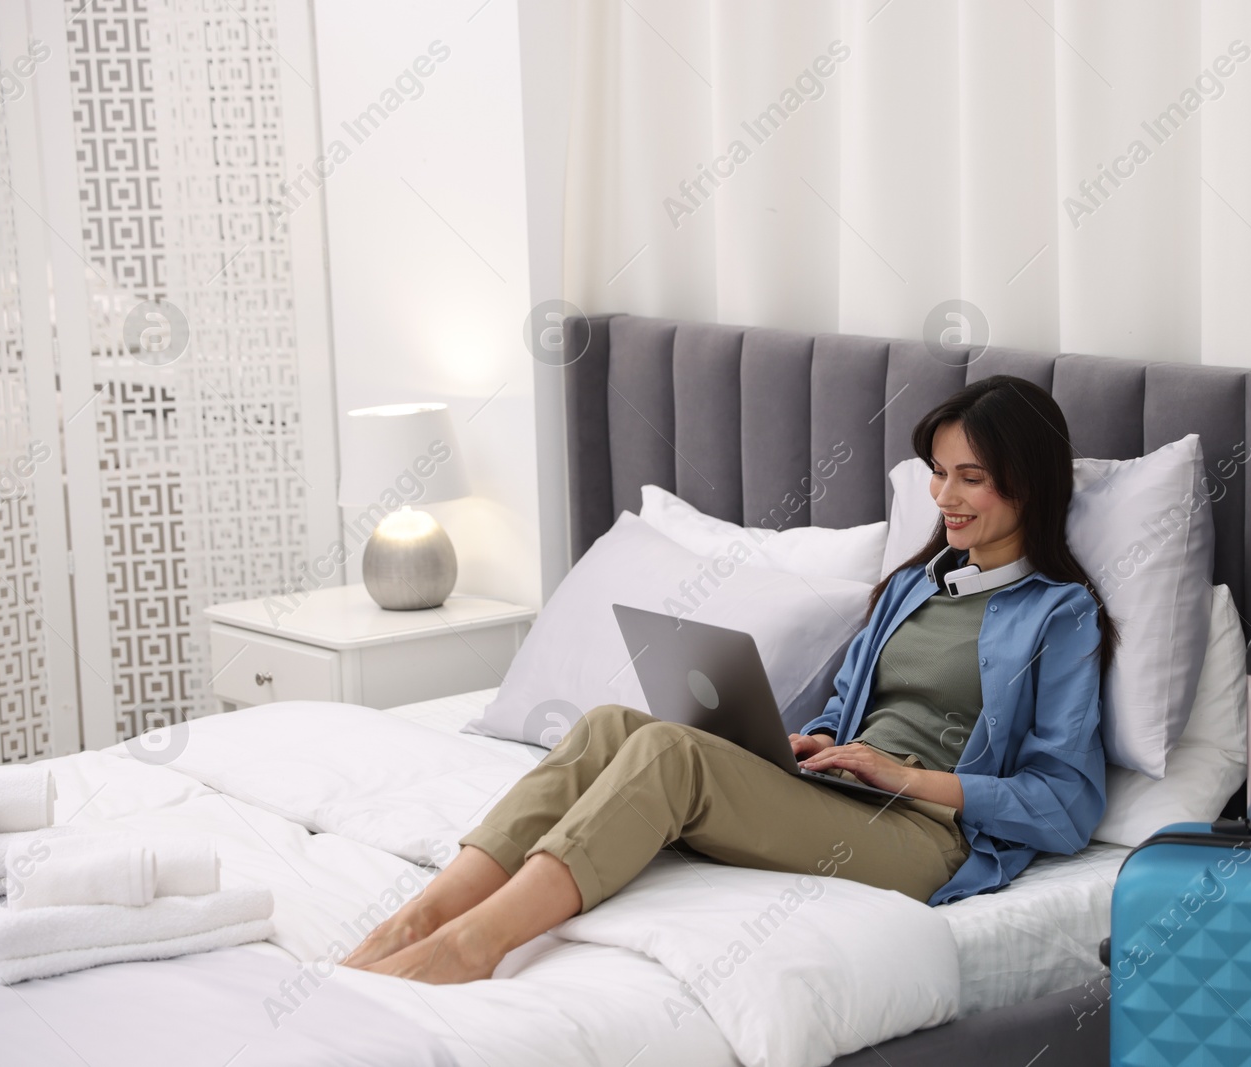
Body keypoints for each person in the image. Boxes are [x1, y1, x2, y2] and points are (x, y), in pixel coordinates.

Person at [342, 374, 1118, 983]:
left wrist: (908, 778)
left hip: (924, 838)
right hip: (842, 793)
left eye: (971, 478)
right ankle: (417, 920)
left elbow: (1067, 805)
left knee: (672, 755)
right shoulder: (919, 583)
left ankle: (475, 945)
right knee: (613, 724)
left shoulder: (1061, 614)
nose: (943, 497)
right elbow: (851, 707)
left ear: (1027, 485)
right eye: (939, 473)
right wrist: (819, 741)